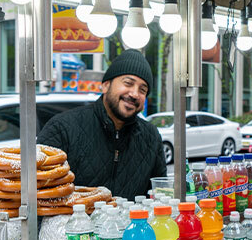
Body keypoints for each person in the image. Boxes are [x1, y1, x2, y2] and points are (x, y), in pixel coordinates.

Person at [38, 49, 166, 199]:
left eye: (142, 90)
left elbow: (160, 194)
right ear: (105, 85)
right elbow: (38, 193)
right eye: (128, 83)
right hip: (72, 221)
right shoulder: (63, 127)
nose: (134, 94)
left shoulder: (151, 137)